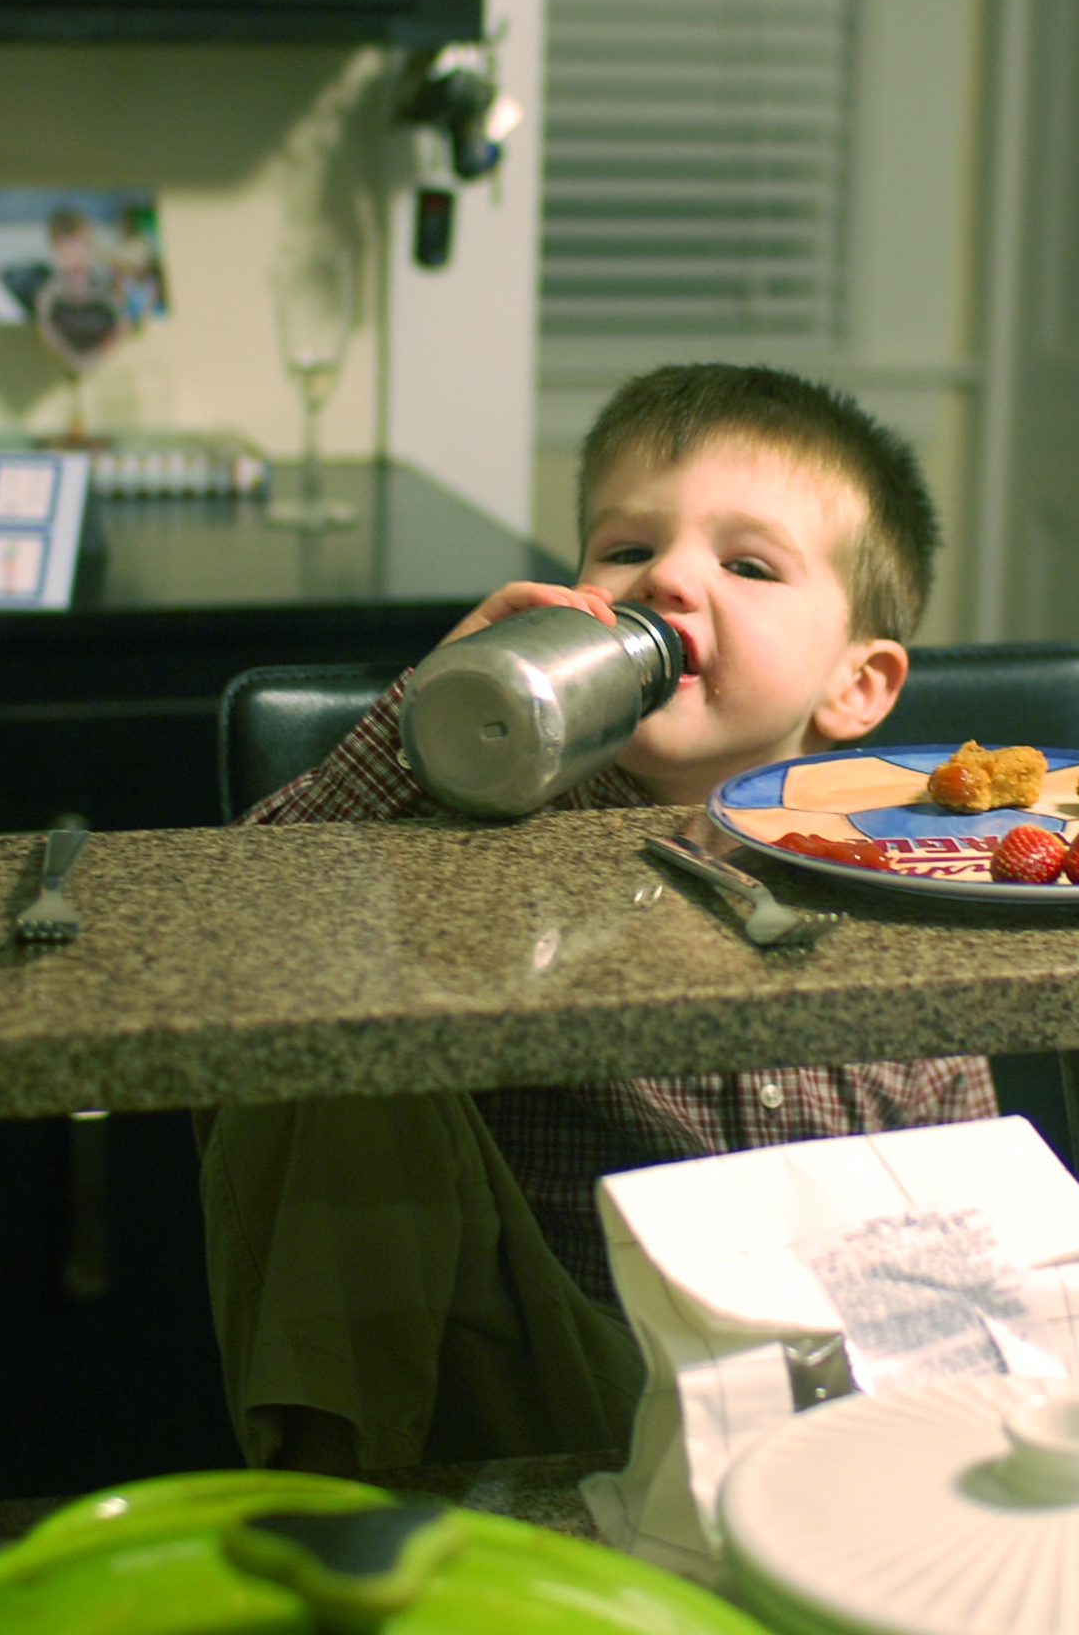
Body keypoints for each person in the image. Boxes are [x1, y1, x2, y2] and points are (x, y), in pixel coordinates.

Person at [204, 364, 997, 1477]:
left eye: (746, 564)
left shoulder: (902, 882)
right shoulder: (478, 824)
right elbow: (225, 936)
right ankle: (325, 1511)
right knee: (327, 1047)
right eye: (625, 549)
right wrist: (434, 725)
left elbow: (964, 1220)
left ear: (855, 685)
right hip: (562, 1387)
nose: (665, 578)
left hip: (835, 1409)